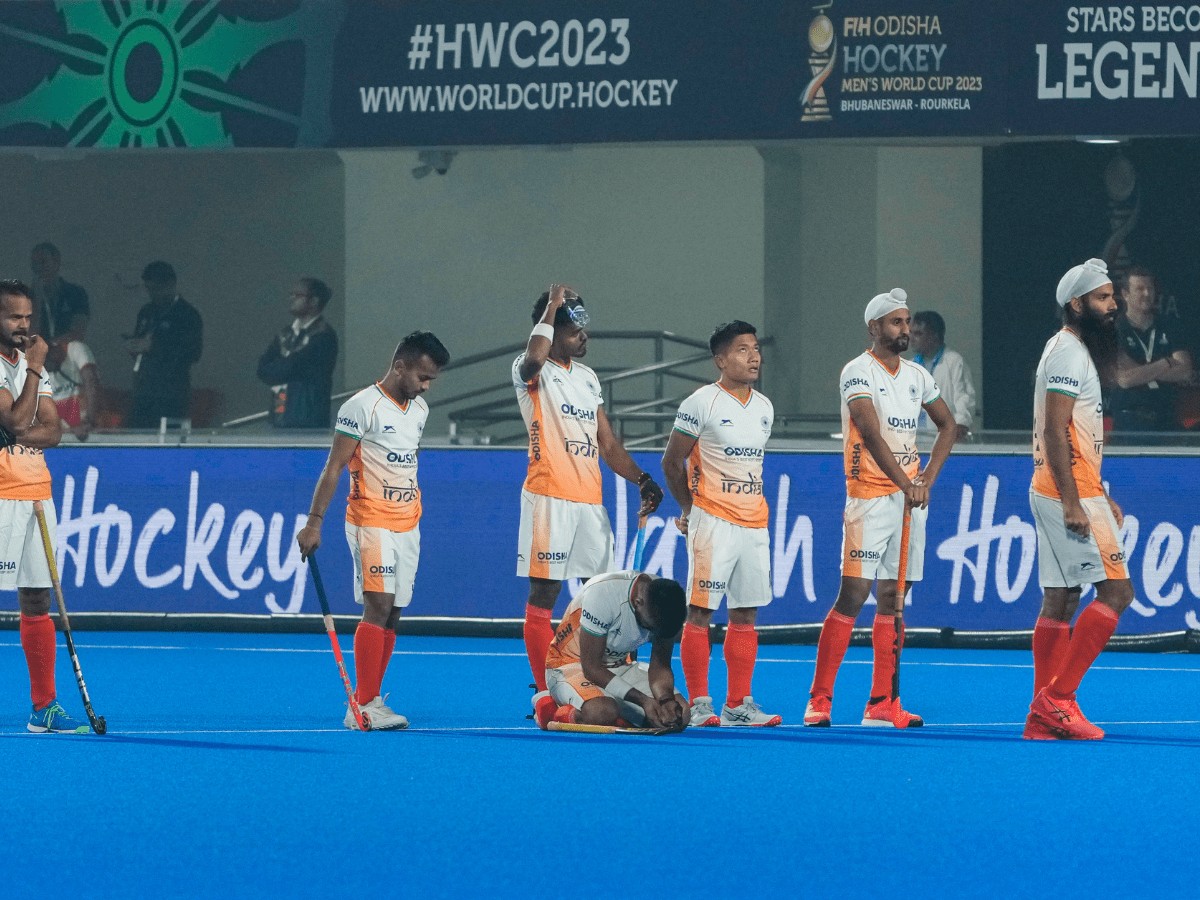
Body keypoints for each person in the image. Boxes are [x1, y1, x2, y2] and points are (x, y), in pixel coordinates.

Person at [804, 288, 956, 728]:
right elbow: (869, 433)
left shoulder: (917, 375)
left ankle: (882, 703)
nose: (905, 329)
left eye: (907, 322)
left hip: (908, 500)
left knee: (894, 598)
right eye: (896, 322)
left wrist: (926, 479)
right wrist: (908, 483)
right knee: (853, 595)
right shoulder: (857, 371)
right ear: (874, 327)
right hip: (869, 498)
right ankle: (820, 699)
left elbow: (947, 425)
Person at [513, 283, 664, 696]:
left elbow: (608, 444)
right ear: (552, 331)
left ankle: (600, 678)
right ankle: (545, 691)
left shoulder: (588, 378)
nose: (584, 337)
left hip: (589, 503)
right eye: (574, 331)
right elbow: (534, 359)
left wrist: (642, 479)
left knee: (602, 594)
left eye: (584, 330)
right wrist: (551, 306)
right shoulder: (530, 369)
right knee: (544, 593)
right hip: (548, 497)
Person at [297, 330, 450, 730]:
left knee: (394, 612)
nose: (426, 386)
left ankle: (374, 698)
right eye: (422, 377)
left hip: (409, 521)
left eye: (431, 380)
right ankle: (361, 705)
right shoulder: (361, 407)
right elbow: (333, 467)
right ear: (400, 367)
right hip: (370, 519)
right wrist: (314, 522)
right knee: (378, 606)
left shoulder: (419, 410)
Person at [1025, 259, 1136, 741]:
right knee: (1117, 593)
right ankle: (1058, 700)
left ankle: (1041, 715)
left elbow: (1074, 434)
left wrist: (1099, 492)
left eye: (1112, 296)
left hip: (1064, 488)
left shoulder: (1070, 349)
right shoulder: (1069, 353)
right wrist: (1075, 501)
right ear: (1076, 304)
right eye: (1102, 298)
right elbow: (1054, 429)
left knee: (1061, 597)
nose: (1113, 306)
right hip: (1066, 494)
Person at [661, 320, 781, 727]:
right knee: (700, 612)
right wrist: (690, 509)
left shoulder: (764, 408)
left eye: (756, 349)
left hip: (755, 523)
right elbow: (671, 462)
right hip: (712, 521)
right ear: (720, 360)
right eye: (742, 350)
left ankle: (738, 705)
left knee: (745, 613)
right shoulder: (701, 403)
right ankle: (699, 703)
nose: (754, 357)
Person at [0, 280, 84, 733]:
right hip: (1, 495)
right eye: (14, 316)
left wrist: (15, 430)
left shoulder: (29, 365)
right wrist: (34, 367)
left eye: (28, 317)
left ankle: (44, 707)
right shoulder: (24, 364)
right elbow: (16, 419)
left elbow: (53, 431)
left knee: (36, 598)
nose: (24, 325)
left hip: (36, 492)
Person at [534, 570, 689, 730]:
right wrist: (644, 701)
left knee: (681, 715)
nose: (652, 633)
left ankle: (618, 715)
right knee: (601, 712)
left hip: (620, 666)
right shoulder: (602, 595)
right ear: (638, 602)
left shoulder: (668, 605)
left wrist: (665, 700)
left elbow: (660, 666)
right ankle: (554, 711)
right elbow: (591, 669)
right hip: (572, 665)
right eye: (650, 628)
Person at [1109, 265, 1194, 433]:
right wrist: (1166, 363)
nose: (1147, 294)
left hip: (1166, 416)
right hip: (1129, 420)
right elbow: (1124, 379)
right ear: (1125, 294)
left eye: (1150, 288)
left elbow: (1185, 371)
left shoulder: (1169, 325)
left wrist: (1140, 371)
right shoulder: (1112, 330)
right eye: (1140, 289)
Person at [125, 261, 203, 429]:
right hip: (143, 389)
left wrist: (154, 347)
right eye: (149, 289)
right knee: (137, 434)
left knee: (168, 437)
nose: (153, 294)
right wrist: (134, 346)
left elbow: (194, 353)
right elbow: (141, 339)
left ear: (171, 284)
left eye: (157, 289)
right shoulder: (146, 312)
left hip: (171, 393)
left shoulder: (187, 315)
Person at [256, 277, 338, 428]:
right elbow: (262, 368)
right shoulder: (286, 333)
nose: (292, 299)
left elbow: (296, 366)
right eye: (291, 295)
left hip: (308, 417)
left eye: (298, 295)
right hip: (280, 413)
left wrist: (280, 367)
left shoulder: (323, 335)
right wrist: (283, 367)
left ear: (314, 301)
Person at [910, 310, 977, 441]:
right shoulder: (910, 366)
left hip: (944, 441)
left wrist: (960, 425)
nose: (911, 339)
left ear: (934, 335)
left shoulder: (954, 362)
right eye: (911, 333)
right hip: (915, 441)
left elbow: (964, 399)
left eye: (918, 334)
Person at [29, 242, 89, 342]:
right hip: (39, 349)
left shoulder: (75, 293)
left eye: (43, 262)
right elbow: (29, 337)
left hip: (67, 349)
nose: (39, 268)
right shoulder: (27, 298)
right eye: (35, 264)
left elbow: (78, 332)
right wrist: (36, 301)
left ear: (56, 262)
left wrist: (53, 345)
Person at [47, 336, 100, 440]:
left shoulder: (75, 349)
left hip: (93, 433)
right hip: (64, 437)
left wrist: (88, 421)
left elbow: (91, 381)